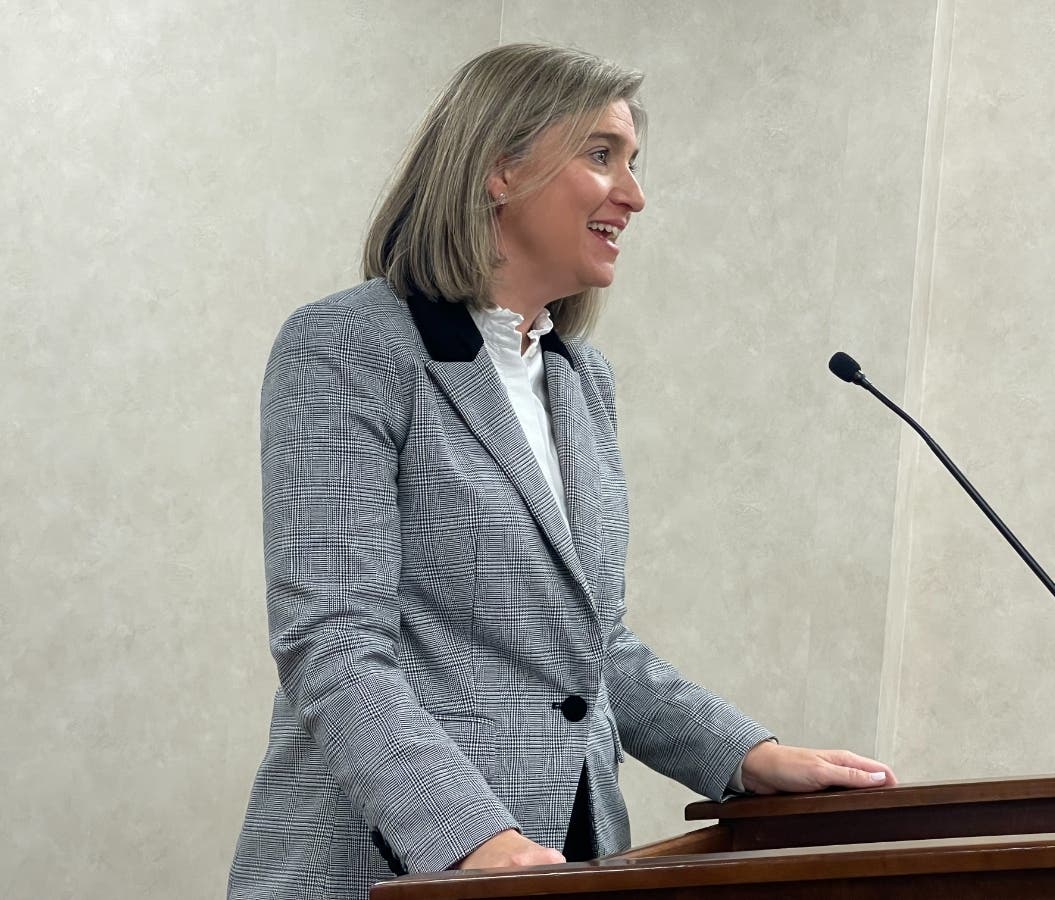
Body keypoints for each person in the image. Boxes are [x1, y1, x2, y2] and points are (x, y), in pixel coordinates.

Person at [227, 43, 896, 900]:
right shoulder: (349, 347)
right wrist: (478, 837)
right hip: (385, 865)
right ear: (499, 169)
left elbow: (593, 650)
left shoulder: (580, 380)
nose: (634, 193)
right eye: (600, 154)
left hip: (571, 856)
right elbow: (334, 644)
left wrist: (746, 756)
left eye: (633, 162)